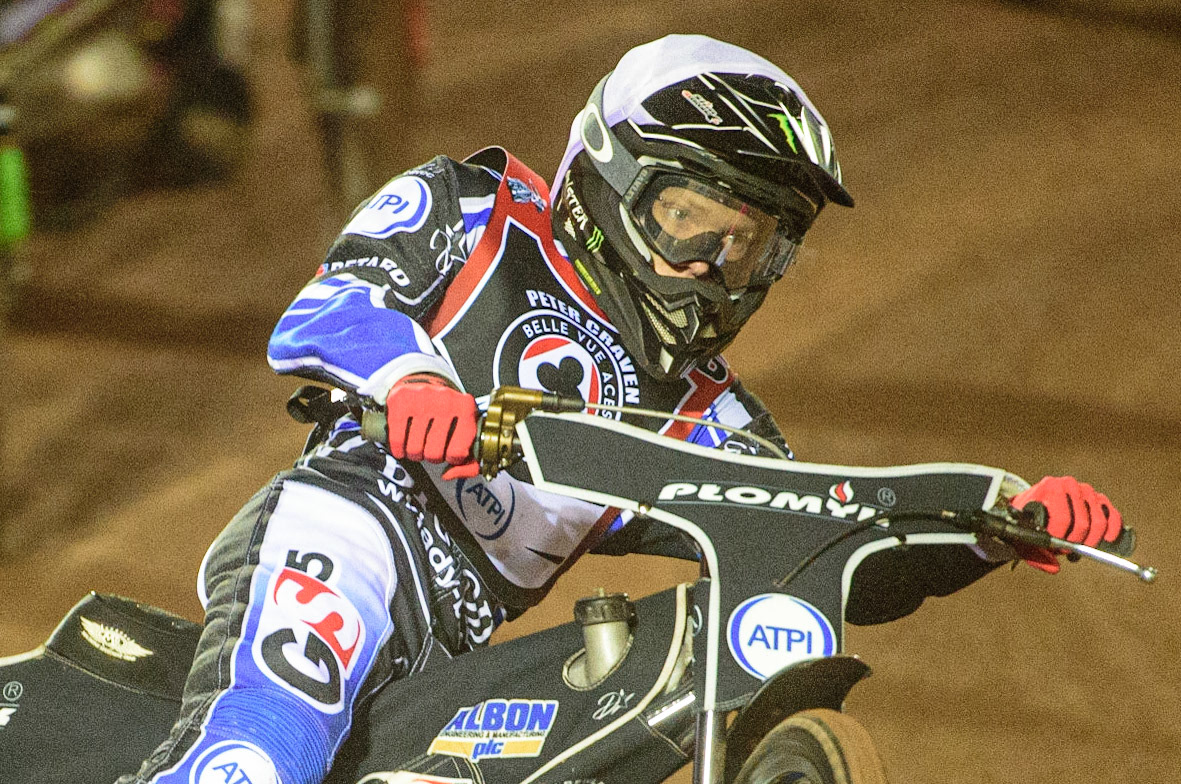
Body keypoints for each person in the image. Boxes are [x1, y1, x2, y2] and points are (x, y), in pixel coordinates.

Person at [115, 34, 1123, 784]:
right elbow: (328, 307)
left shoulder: (699, 412)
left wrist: (993, 530)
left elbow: (823, 545)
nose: (712, 270)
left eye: (751, 245)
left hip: (455, 648)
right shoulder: (475, 212)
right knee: (265, 742)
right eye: (690, 222)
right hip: (350, 526)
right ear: (608, 179)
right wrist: (416, 384)